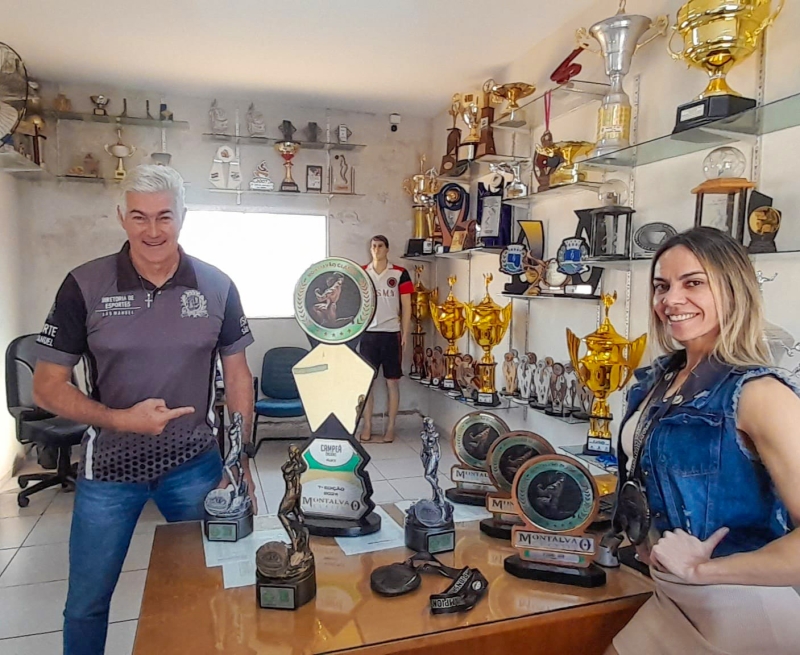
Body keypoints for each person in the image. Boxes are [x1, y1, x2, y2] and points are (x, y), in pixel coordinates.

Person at [31, 165, 256, 655]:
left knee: (212, 587)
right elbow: (46, 387)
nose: (152, 230)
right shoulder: (83, 285)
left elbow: (239, 376)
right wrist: (120, 419)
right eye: (139, 217)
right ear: (121, 217)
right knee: (86, 605)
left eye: (164, 217)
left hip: (195, 468)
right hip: (109, 472)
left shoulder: (217, 285)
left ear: (183, 217)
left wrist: (238, 462)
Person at [608, 227, 800, 655]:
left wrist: (702, 571)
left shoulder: (759, 395)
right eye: (662, 286)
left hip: (740, 609)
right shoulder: (659, 379)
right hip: (671, 591)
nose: (670, 300)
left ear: (733, 290)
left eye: (693, 283)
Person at [358, 235, 412, 443]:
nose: (376, 249)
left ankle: (390, 428)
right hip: (368, 334)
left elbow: (407, 306)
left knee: (392, 383)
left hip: (391, 334)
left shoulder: (399, 273)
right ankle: (367, 426)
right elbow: (354, 302)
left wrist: (404, 333)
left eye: (380, 246)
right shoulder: (362, 273)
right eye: (373, 246)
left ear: (387, 249)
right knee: (367, 384)